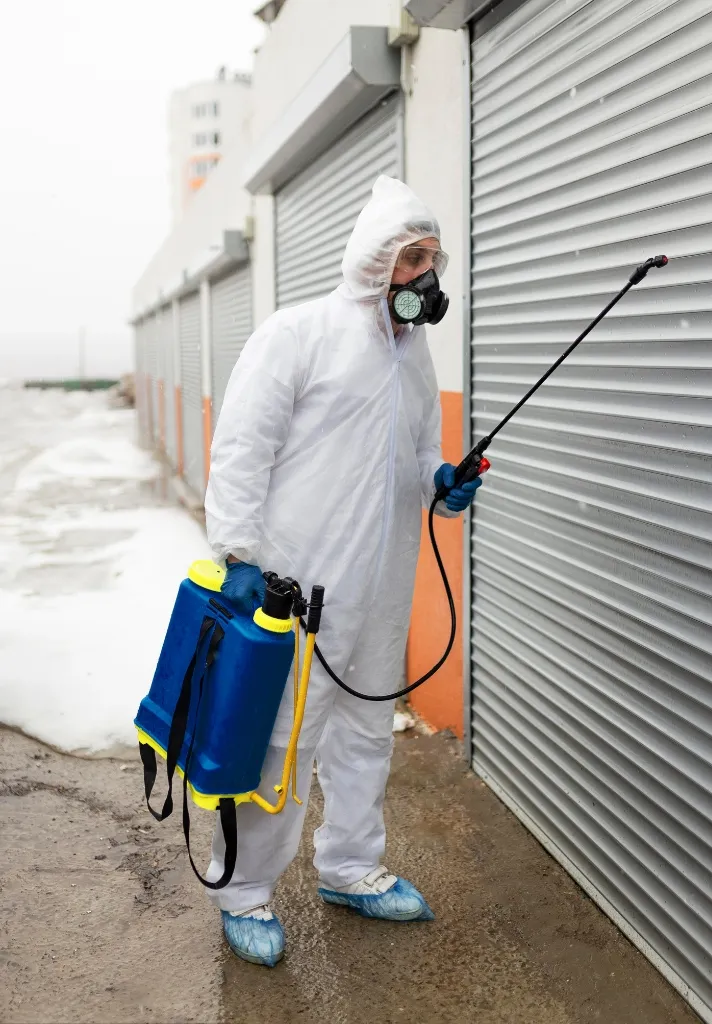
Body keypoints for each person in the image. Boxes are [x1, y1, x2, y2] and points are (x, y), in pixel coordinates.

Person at [204, 175, 482, 967]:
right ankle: (245, 890)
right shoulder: (298, 335)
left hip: (383, 584)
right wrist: (238, 555)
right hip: (298, 590)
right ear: (373, 263)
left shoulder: (414, 355)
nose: (425, 275)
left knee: (366, 734)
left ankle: (351, 868)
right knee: (281, 744)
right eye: (410, 257)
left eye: (433, 258)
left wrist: (441, 482)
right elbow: (242, 450)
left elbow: (420, 448)